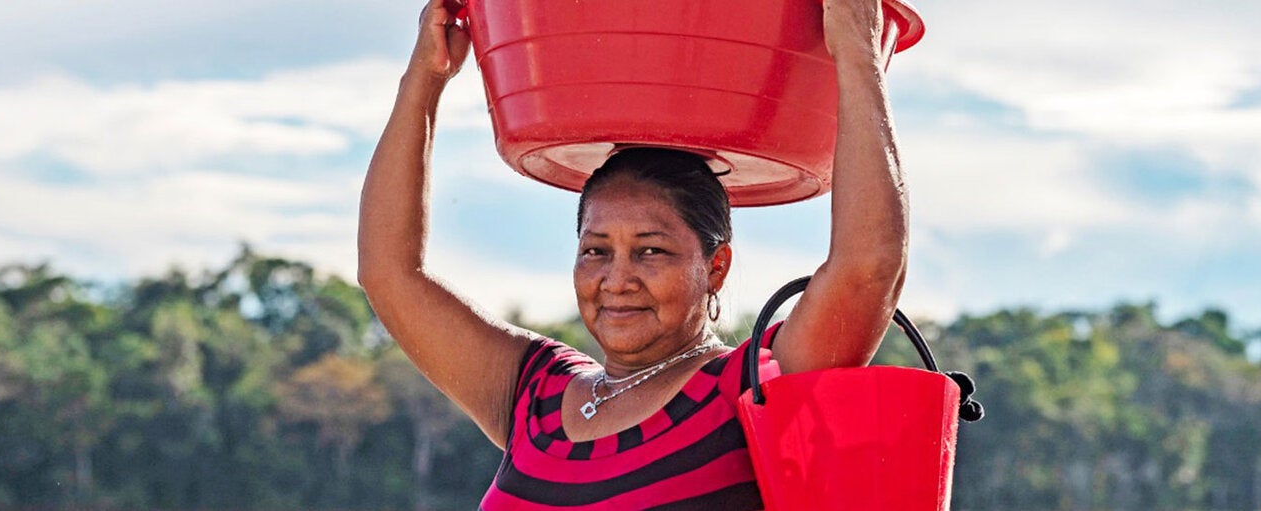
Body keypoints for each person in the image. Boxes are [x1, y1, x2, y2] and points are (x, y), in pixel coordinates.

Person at [357, 0, 907, 507]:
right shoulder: (532, 395)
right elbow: (390, 274)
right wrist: (424, 80)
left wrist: (857, 51)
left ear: (715, 267)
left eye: (651, 251)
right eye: (596, 250)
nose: (617, 279)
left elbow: (867, 268)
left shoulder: (752, 390)